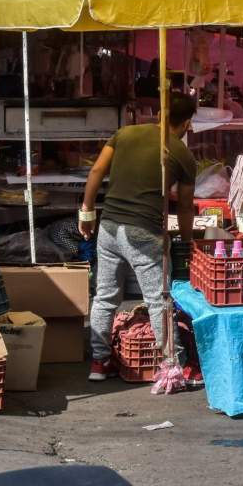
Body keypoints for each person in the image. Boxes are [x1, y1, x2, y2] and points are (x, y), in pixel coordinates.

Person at [80, 92, 198, 385]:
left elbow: (96, 170)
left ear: (159, 114)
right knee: (159, 300)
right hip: (144, 233)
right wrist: (185, 242)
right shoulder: (183, 154)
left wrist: (86, 211)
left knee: (105, 296)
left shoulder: (125, 133)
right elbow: (184, 206)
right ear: (186, 123)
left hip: (109, 228)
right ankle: (175, 364)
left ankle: (99, 361)